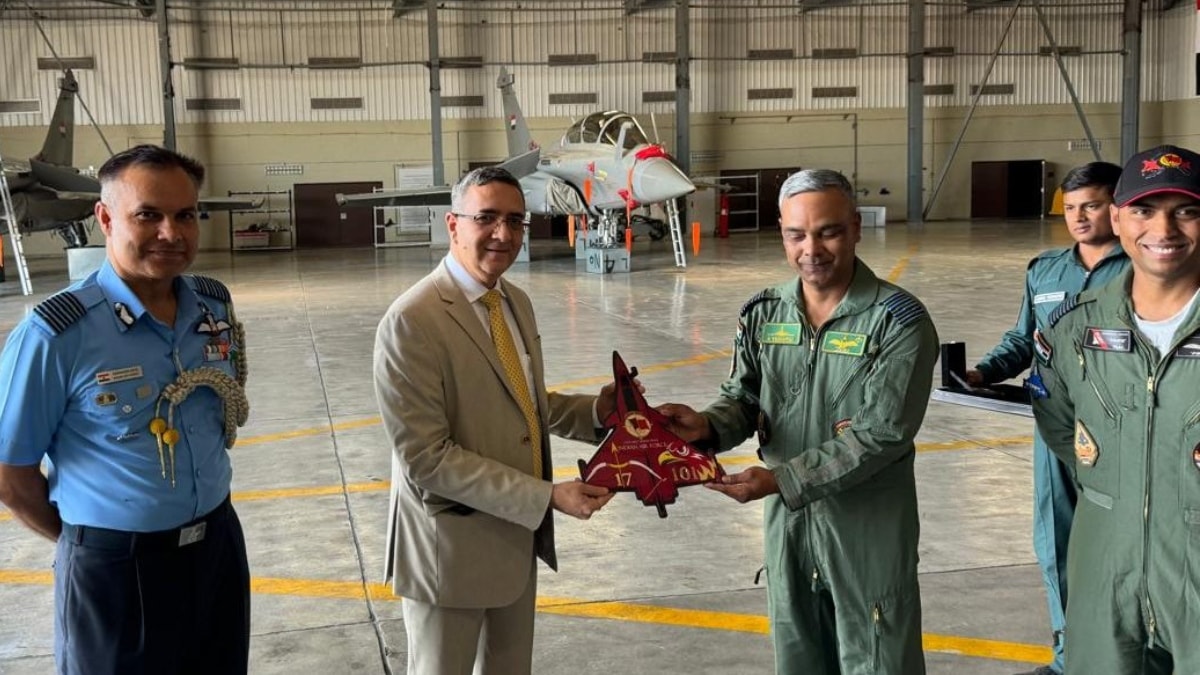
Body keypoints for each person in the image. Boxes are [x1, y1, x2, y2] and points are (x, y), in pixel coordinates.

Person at [658, 169, 939, 674]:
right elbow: (744, 398)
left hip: (867, 525)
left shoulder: (897, 322)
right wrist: (705, 426)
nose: (812, 250)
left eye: (828, 232)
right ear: (782, 234)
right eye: (797, 235)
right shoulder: (764, 313)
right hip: (788, 524)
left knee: (878, 655)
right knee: (797, 652)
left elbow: (881, 435)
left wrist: (781, 480)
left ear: (856, 228)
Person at [0, 144, 252, 674]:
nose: (171, 233)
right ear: (106, 218)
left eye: (185, 215)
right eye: (148, 215)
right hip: (115, 569)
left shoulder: (213, 306)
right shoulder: (55, 335)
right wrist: (92, 542)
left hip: (216, 549)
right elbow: (10, 475)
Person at [373, 166, 616, 675]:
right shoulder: (412, 321)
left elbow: (523, 402)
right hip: (448, 555)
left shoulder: (513, 303)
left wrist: (599, 411)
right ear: (453, 225)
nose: (503, 234)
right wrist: (547, 496)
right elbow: (426, 458)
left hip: (513, 543)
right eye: (486, 218)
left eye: (515, 220)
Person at [1032, 144, 1200, 674]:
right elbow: (1061, 425)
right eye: (1145, 210)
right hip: (1105, 573)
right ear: (1120, 218)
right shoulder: (1075, 329)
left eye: (1187, 211)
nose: (1163, 229)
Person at [965, 162, 1128, 675]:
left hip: (1125, 427)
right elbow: (1022, 339)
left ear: (1118, 207)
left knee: (1127, 542)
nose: (1079, 217)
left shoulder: (1143, 265)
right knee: (1056, 538)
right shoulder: (1046, 270)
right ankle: (1067, 658)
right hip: (1057, 425)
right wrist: (982, 371)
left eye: (1092, 205)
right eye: (1070, 207)